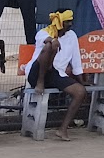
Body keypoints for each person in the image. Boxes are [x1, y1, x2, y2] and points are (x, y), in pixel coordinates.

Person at [26, 10, 89, 142]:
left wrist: (81, 79)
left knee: (80, 92)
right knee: (50, 46)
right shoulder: (43, 32)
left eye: (71, 21)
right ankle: (41, 82)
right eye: (67, 22)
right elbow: (45, 40)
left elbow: (76, 59)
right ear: (60, 22)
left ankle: (62, 129)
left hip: (56, 73)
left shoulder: (72, 36)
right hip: (37, 74)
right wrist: (53, 40)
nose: (70, 24)